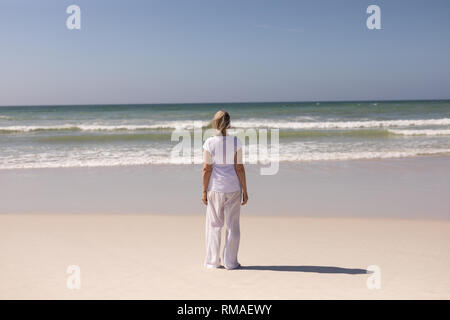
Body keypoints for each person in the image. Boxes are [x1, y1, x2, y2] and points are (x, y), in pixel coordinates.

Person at [202, 110, 248, 270]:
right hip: (233, 188)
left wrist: (203, 190)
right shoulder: (236, 142)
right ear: (229, 124)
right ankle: (231, 262)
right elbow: (240, 168)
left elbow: (207, 169)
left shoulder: (209, 143)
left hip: (215, 188)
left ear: (214, 123)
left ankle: (213, 262)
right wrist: (245, 190)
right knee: (233, 226)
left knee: (214, 226)